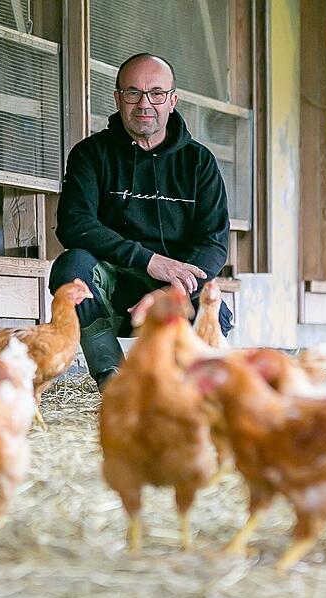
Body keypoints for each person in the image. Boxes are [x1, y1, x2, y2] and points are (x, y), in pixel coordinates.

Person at [50, 53, 233, 390]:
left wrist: (170, 290)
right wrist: (148, 261)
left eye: (157, 93)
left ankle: (191, 386)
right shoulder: (91, 154)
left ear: (172, 100)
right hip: (112, 285)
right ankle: (113, 380)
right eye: (133, 93)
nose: (145, 103)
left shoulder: (199, 162)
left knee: (211, 298)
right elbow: (74, 224)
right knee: (70, 267)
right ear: (118, 98)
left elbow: (215, 242)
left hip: (174, 286)